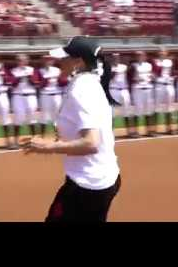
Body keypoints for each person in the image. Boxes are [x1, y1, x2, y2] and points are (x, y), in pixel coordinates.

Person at [21, 36, 121, 222]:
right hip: (98, 179)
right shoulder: (89, 82)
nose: (60, 61)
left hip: (88, 184)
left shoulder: (82, 89)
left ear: (78, 62)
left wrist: (47, 146)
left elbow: (91, 143)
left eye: (65, 57)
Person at [9, 54, 40, 147]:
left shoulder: (32, 70)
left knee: (32, 117)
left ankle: (35, 140)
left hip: (30, 95)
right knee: (18, 117)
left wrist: (30, 78)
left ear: (27, 61)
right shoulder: (13, 71)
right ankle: (15, 141)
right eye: (19, 60)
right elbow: (11, 85)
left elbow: (36, 83)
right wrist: (19, 79)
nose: (21, 62)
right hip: (18, 95)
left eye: (23, 60)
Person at [128, 51, 156, 138]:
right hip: (138, 89)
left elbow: (153, 75)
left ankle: (149, 130)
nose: (140, 57)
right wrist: (135, 78)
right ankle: (135, 131)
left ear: (145, 56)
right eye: (138, 55)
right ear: (136, 57)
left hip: (148, 88)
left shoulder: (149, 65)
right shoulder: (133, 66)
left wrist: (152, 77)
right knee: (138, 110)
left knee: (148, 110)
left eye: (142, 55)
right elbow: (129, 78)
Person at [37, 55, 65, 138]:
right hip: (45, 95)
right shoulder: (40, 71)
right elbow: (38, 84)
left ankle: (58, 136)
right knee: (44, 116)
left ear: (53, 61)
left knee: (57, 116)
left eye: (50, 60)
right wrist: (46, 80)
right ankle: (42, 136)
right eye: (46, 60)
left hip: (56, 94)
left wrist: (61, 79)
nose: (48, 62)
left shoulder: (57, 70)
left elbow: (63, 82)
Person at [109, 53, 133, 138]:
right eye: (114, 58)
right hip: (113, 90)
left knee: (127, 110)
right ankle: (110, 133)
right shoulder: (108, 67)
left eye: (117, 57)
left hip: (124, 90)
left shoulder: (123, 67)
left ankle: (130, 131)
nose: (116, 59)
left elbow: (130, 74)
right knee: (111, 112)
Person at [153, 48, 177, 135]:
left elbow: (173, 72)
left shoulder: (169, 62)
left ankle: (170, 128)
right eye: (160, 51)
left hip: (169, 85)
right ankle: (155, 130)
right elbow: (156, 72)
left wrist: (173, 77)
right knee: (157, 107)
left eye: (163, 52)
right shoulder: (155, 61)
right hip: (159, 85)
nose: (162, 53)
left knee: (170, 107)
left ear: (166, 53)